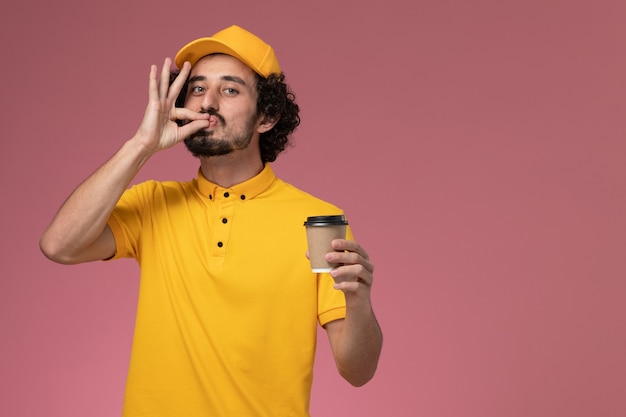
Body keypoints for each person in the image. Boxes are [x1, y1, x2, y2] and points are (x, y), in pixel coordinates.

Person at [40, 25, 382, 417]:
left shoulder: (315, 221)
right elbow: (58, 245)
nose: (207, 102)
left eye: (230, 89)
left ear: (266, 116)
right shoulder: (153, 202)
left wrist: (358, 303)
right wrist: (140, 146)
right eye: (198, 89)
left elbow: (358, 371)